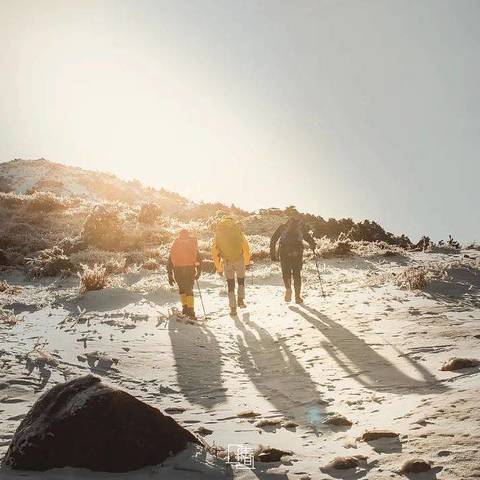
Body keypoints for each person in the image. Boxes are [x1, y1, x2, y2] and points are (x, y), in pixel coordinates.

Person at [270, 216, 316, 304]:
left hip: (284, 254)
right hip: (297, 254)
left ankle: (288, 289)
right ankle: (297, 297)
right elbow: (308, 238)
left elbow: (273, 239)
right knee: (297, 275)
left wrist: (273, 255)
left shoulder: (283, 227)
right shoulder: (300, 228)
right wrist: (313, 245)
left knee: (286, 273)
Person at [212, 216, 251, 316]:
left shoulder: (218, 233)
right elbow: (245, 247)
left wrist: (219, 268)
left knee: (230, 285)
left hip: (227, 262)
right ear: (232, 222)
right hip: (239, 260)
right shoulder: (237, 231)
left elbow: (214, 252)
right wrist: (247, 262)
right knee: (241, 280)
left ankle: (233, 308)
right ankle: (241, 300)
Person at [167, 229, 202, 320]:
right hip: (189, 269)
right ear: (188, 235)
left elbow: (170, 260)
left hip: (178, 270)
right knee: (189, 289)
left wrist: (170, 275)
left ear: (179, 235)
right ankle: (191, 311)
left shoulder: (176, 244)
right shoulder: (192, 243)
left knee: (182, 289)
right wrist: (199, 271)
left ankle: (185, 308)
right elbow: (198, 259)